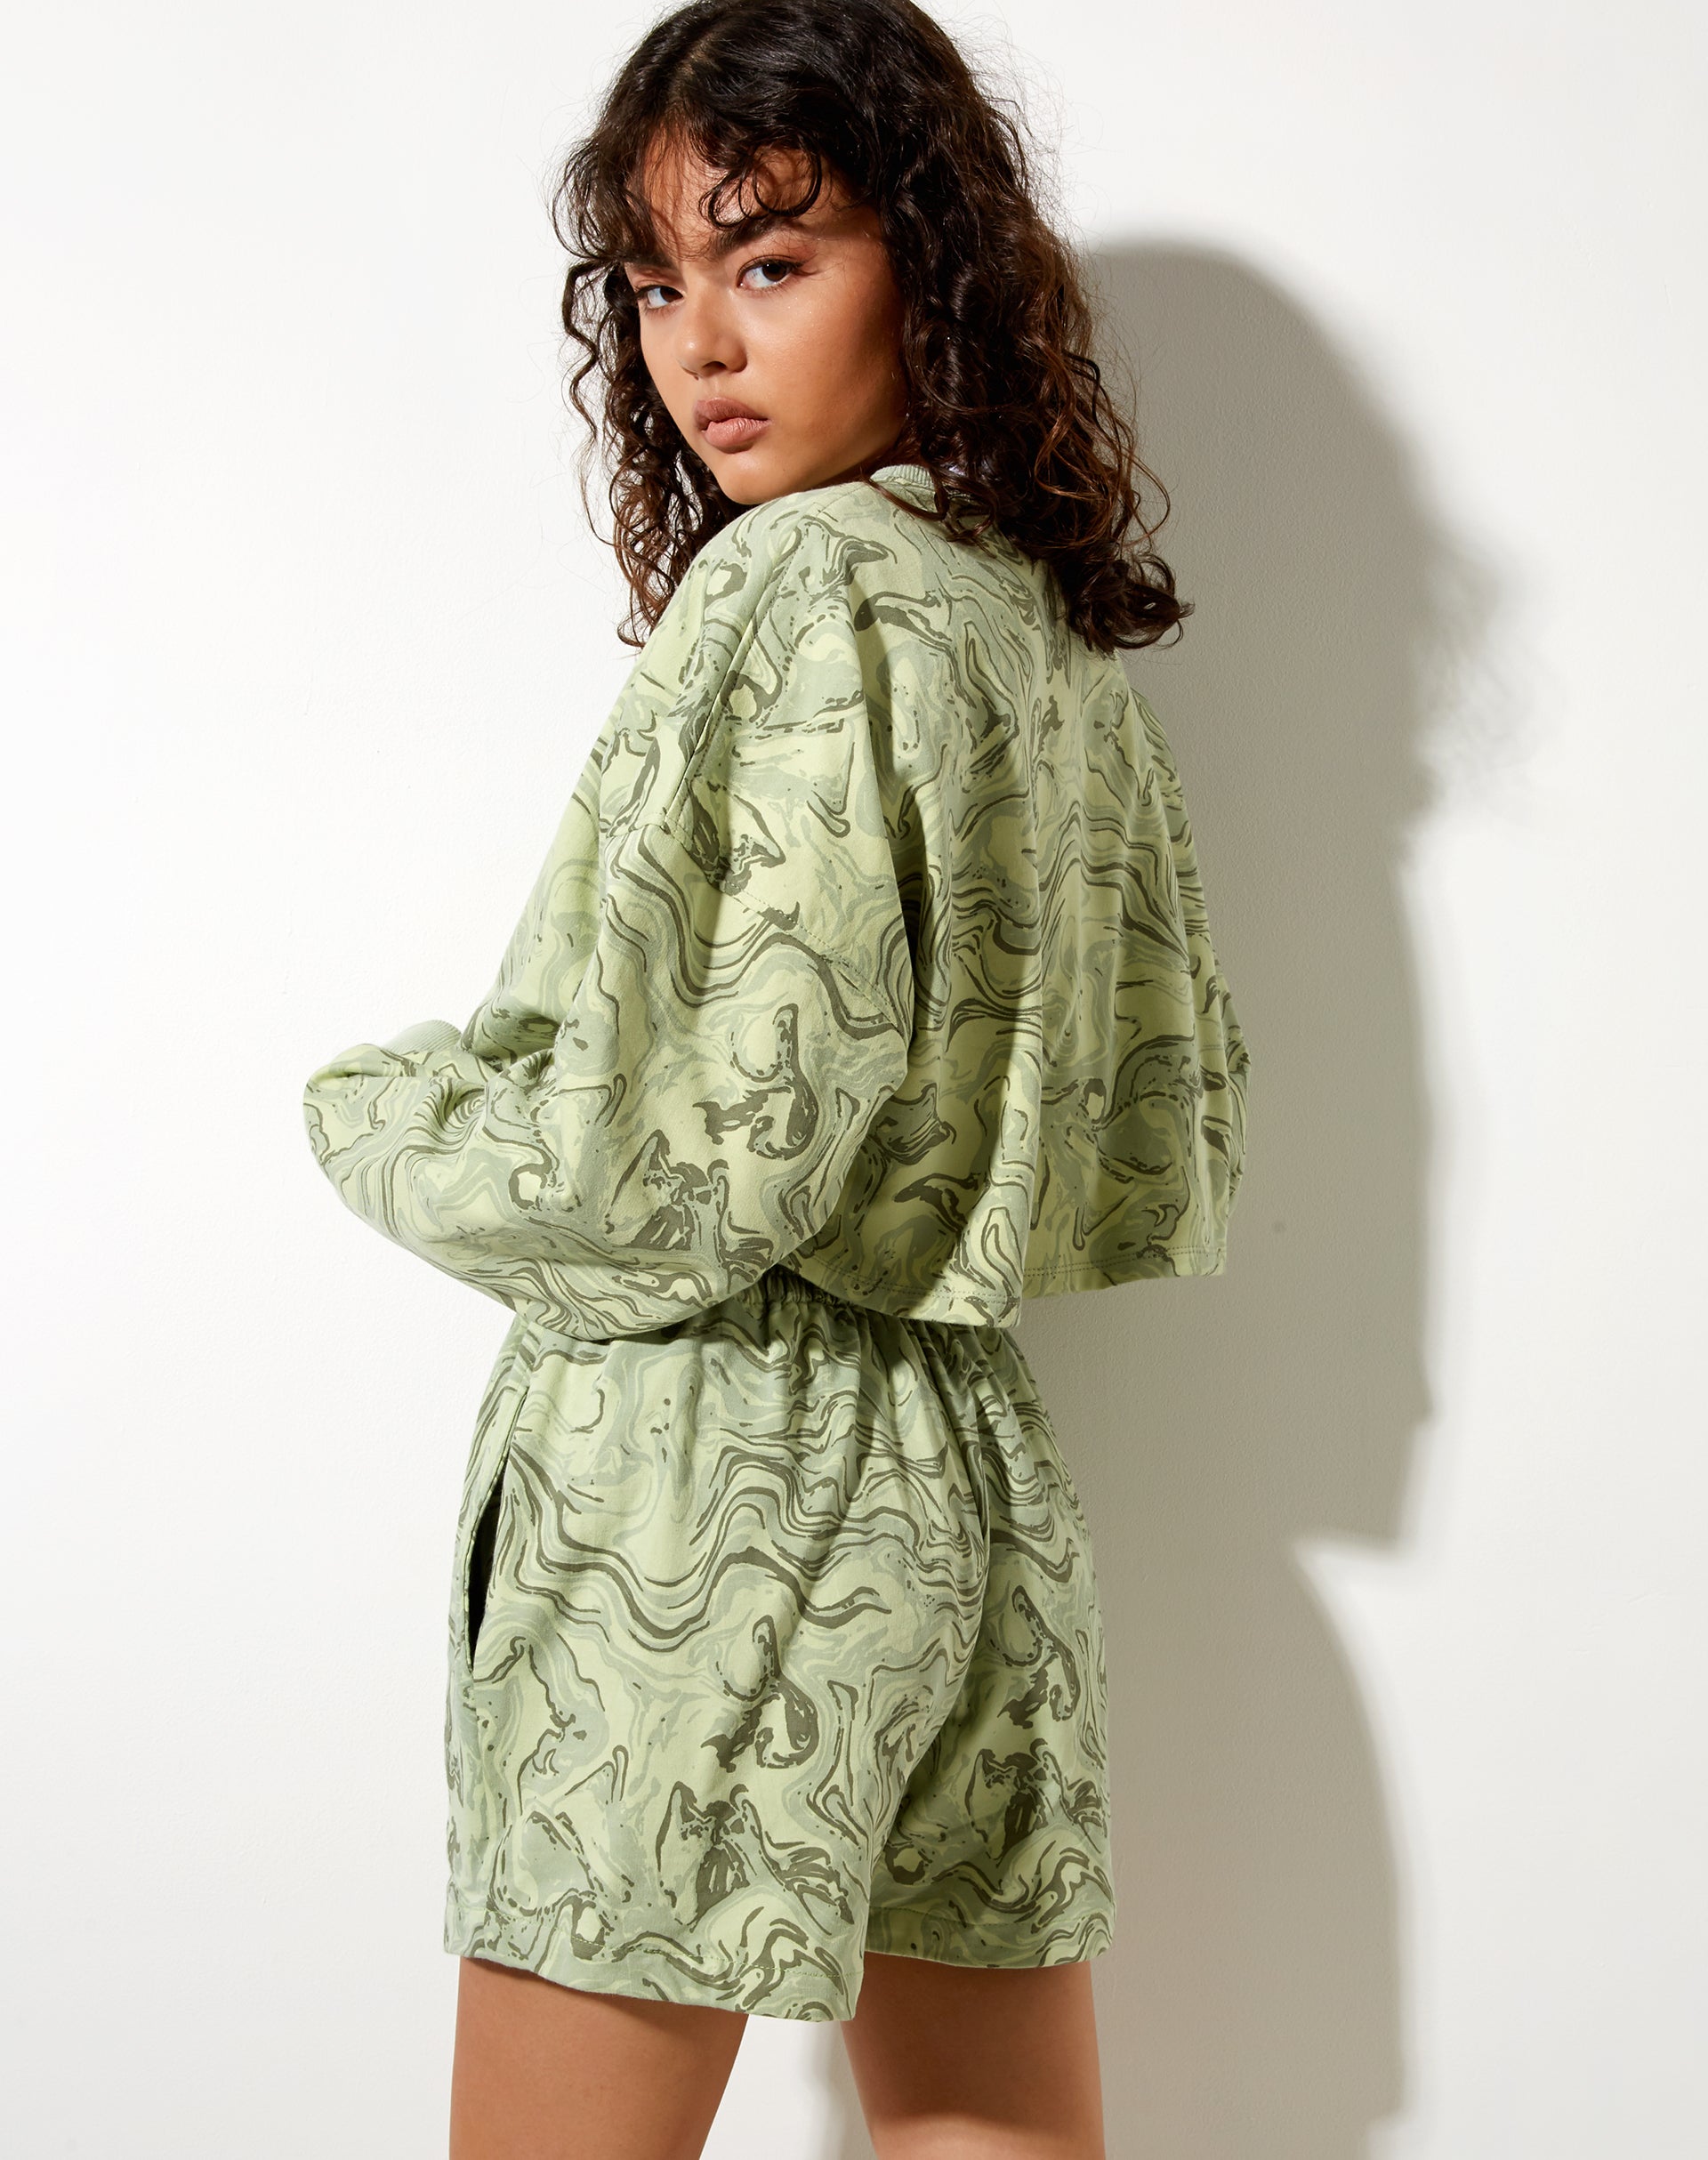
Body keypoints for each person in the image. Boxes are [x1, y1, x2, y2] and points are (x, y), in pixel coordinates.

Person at [300, 1, 1251, 2151]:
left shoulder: (803, 579)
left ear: (931, 262)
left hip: (703, 1471)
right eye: (655, 283)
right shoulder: (1034, 621)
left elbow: (699, 1167)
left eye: (772, 259)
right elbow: (1133, 1126)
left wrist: (380, 1116)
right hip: (971, 1470)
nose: (701, 343)